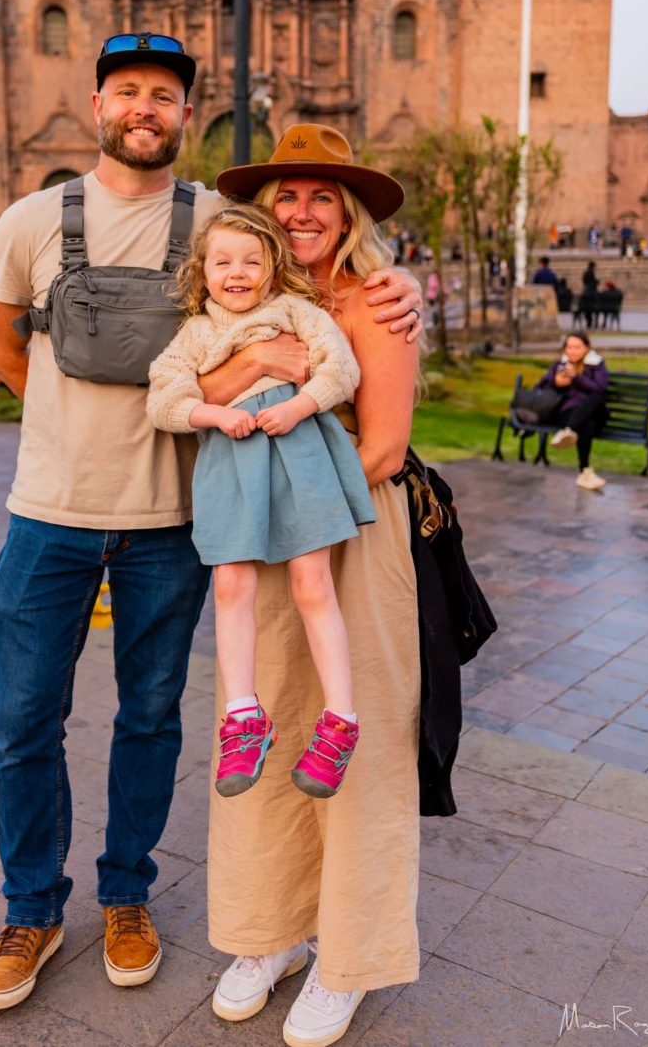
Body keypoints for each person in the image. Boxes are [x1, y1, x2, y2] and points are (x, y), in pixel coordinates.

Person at [0, 40, 425, 1014]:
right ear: (98, 102)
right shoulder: (36, 221)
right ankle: (58, 914)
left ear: (187, 113)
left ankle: (259, 933)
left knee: (180, 722)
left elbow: (377, 431)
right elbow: (10, 347)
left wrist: (398, 294)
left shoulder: (256, 245)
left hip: (243, 522)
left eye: (164, 97)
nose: (299, 214)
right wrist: (91, 423)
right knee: (43, 724)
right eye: (128, 92)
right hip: (103, 516)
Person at [203, 125, 422, 1046]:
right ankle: (269, 931)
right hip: (262, 535)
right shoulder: (251, 292)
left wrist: (296, 497)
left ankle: (349, 954)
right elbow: (198, 384)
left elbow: (384, 447)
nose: (301, 212)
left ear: (349, 212)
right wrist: (254, 363)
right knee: (259, 726)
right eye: (287, 196)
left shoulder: (378, 301)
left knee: (353, 740)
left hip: (352, 532)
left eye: (321, 197)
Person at [147, 203, 373, 802]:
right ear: (203, 272)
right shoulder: (197, 333)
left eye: (252, 260)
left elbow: (340, 369)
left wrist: (299, 405)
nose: (237, 272)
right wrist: (213, 412)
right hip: (232, 468)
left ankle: (341, 721)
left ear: (274, 267)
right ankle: (245, 717)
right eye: (223, 262)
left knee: (311, 584)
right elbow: (163, 398)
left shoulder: (296, 312)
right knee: (230, 587)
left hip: (299, 458)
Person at [538, 331, 610, 490]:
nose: (572, 351)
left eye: (577, 347)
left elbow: (600, 388)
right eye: (569, 347)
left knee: (595, 398)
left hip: (596, 412)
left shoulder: (596, 365)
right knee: (586, 425)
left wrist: (577, 377)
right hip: (570, 413)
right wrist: (556, 383)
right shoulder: (559, 365)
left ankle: (569, 430)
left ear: (586, 348)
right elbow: (540, 388)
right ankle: (585, 472)